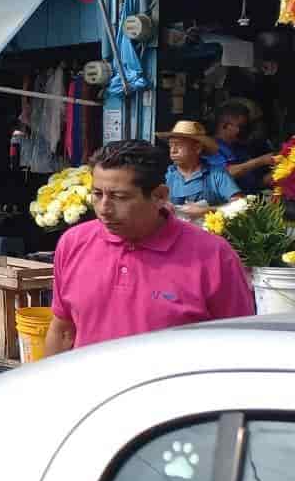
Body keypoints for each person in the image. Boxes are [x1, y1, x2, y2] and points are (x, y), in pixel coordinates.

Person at [45, 140, 254, 356]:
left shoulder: (213, 256)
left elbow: (237, 346)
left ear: (160, 196)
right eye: (97, 194)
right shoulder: (74, 243)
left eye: (119, 197)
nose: (104, 209)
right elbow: (62, 331)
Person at [158, 120, 242, 220]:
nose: (173, 151)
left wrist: (207, 211)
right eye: (171, 145)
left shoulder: (216, 174)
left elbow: (240, 206)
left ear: (197, 148)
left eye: (178, 145)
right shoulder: (166, 175)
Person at [207, 102, 278, 194]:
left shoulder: (240, 148)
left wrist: (272, 177)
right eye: (241, 126)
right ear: (225, 125)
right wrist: (261, 161)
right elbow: (224, 174)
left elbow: (250, 183)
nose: (244, 131)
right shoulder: (211, 147)